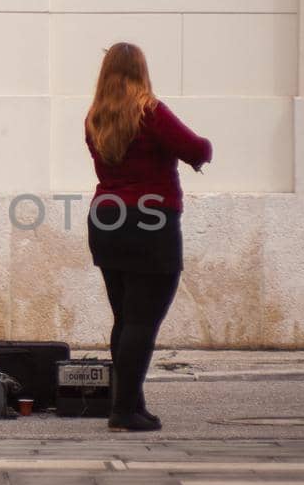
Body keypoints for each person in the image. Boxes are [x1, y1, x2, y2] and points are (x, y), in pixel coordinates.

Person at [85, 43, 212, 433]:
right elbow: (196, 148)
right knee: (143, 319)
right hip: (150, 220)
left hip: (106, 219)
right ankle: (123, 411)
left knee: (125, 318)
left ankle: (130, 404)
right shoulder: (151, 112)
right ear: (142, 70)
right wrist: (200, 156)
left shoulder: (95, 117)